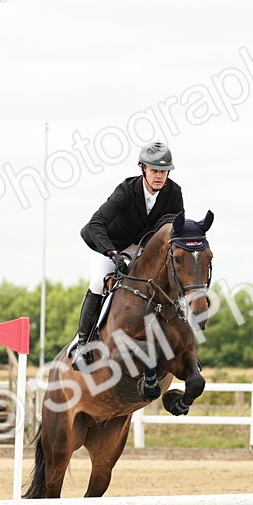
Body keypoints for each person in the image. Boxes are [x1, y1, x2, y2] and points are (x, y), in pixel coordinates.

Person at [70, 141, 185, 357]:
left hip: (144, 250)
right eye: (154, 170)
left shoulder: (174, 193)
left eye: (164, 171)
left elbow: (176, 231)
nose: (159, 176)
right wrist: (113, 255)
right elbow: (95, 225)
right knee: (97, 282)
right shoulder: (126, 191)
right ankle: (83, 343)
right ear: (143, 168)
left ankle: (179, 343)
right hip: (112, 246)